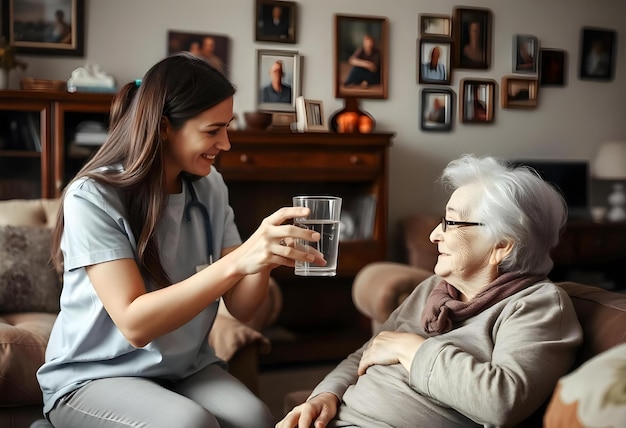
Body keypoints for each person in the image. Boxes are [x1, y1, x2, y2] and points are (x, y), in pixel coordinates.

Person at [36, 52, 325, 428]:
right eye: (212, 130)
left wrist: (264, 257)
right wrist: (238, 260)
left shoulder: (211, 187)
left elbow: (242, 307)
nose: (226, 143)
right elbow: (135, 324)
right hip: (95, 374)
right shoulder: (92, 196)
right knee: (190, 424)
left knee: (255, 418)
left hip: (183, 367)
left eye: (228, 127)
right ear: (163, 127)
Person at [278, 154, 583, 428]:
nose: (435, 234)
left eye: (451, 222)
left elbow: (501, 402)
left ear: (501, 246)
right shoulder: (434, 291)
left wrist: (407, 348)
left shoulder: (537, 306)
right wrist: (325, 395)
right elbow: (366, 353)